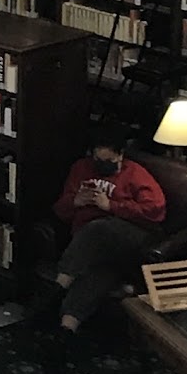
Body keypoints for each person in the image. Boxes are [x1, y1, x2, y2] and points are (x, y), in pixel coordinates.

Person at [50, 131, 167, 331]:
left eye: (109, 160)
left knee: (100, 228)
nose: (102, 164)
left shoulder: (135, 174)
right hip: (91, 246)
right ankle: (67, 327)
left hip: (128, 235)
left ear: (120, 155)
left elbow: (155, 211)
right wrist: (75, 202)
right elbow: (60, 211)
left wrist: (111, 206)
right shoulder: (81, 169)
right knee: (99, 273)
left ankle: (58, 285)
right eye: (98, 159)